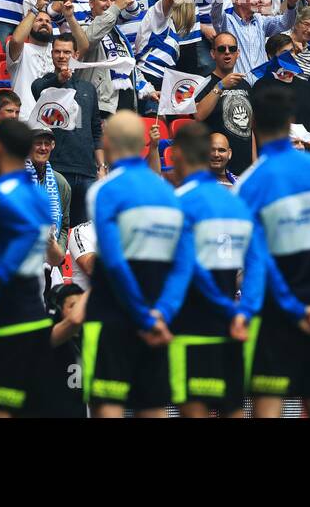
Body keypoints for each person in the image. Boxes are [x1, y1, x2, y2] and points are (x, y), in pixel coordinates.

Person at [235, 86, 310, 418]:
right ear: (290, 121)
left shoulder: (249, 185)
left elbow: (257, 260)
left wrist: (291, 308)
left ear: (253, 122)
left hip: (276, 313)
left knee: (268, 406)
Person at [81, 110, 194, 417]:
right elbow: (184, 264)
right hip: (158, 313)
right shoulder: (169, 194)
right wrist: (161, 314)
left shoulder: (104, 190)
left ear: (107, 141)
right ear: (143, 143)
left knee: (108, 405)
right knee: (153, 406)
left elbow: (115, 262)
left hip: (112, 312)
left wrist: (142, 317)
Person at [167, 121, 265, 418]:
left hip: (190, 324)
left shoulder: (178, 204)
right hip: (232, 325)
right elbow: (258, 262)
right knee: (233, 409)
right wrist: (244, 311)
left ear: (179, 155)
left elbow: (187, 267)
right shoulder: (237, 202)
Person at [0, 118, 59, 417]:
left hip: (7, 303)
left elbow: (27, 232)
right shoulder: (40, 195)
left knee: (0, 401)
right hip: (34, 302)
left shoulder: (1, 193)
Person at [31, 31, 103, 225]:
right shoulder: (43, 84)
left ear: (76, 55)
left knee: (85, 233)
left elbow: (96, 130)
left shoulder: (88, 89)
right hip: (57, 169)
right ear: (52, 54)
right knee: (56, 229)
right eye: (57, 52)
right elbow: (39, 90)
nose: (62, 56)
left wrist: (101, 167)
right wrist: (60, 81)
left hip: (87, 170)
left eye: (66, 52)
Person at [194, 32, 254, 173]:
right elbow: (198, 115)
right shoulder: (204, 83)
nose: (227, 53)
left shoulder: (245, 85)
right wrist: (220, 86)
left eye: (232, 49)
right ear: (213, 54)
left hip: (245, 166)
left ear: (237, 53)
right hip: (216, 166)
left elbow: (251, 129)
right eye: (221, 49)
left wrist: (254, 162)